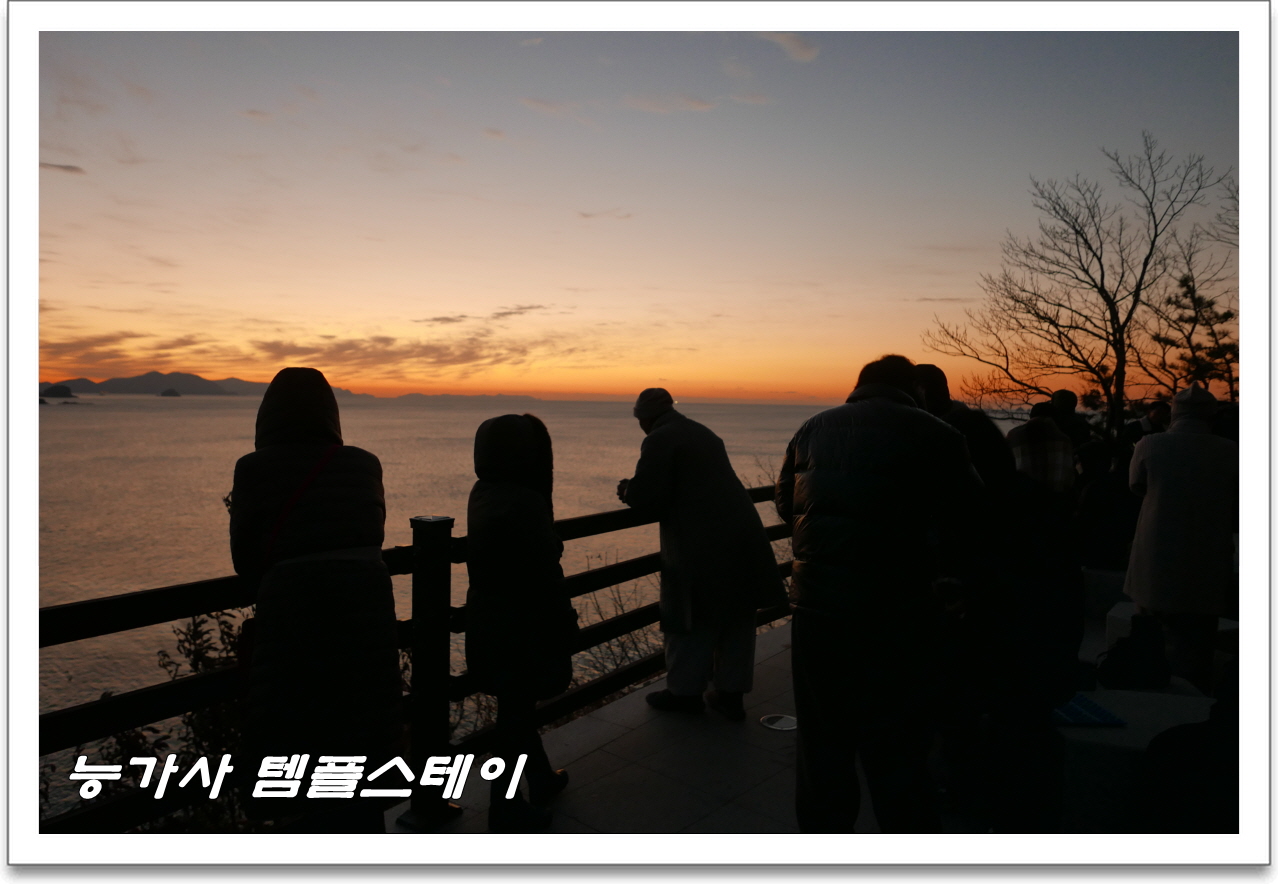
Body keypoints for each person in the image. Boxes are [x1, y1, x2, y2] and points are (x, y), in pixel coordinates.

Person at [776, 354, 982, 833]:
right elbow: (971, 517)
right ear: (914, 388)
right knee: (898, 745)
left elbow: (788, 503)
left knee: (822, 742)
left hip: (817, 610)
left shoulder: (812, 428)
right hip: (900, 610)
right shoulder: (937, 434)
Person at [230, 367, 400, 833]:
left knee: (297, 752)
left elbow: (246, 562)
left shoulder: (253, 469)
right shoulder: (365, 465)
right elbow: (370, 534)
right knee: (362, 751)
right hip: (365, 630)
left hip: (293, 632)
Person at [616, 388, 783, 721]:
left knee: (691, 617)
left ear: (643, 418)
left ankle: (684, 693)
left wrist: (626, 489)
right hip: (742, 534)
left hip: (702, 542)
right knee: (736, 617)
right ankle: (730, 695)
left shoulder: (660, 438)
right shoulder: (702, 432)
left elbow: (647, 493)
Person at [465, 413, 578, 832]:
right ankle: (504, 807)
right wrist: (565, 621)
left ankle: (541, 779)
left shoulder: (483, 492)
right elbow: (545, 572)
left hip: (488, 617)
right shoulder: (525, 501)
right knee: (514, 718)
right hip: (524, 623)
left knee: (515, 710)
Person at [1124, 384, 1238, 691]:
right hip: (1209, 552)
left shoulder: (1149, 444)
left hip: (1155, 548)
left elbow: (1136, 485)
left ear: (1174, 413)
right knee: (1198, 638)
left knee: (1150, 632)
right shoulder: (1231, 450)